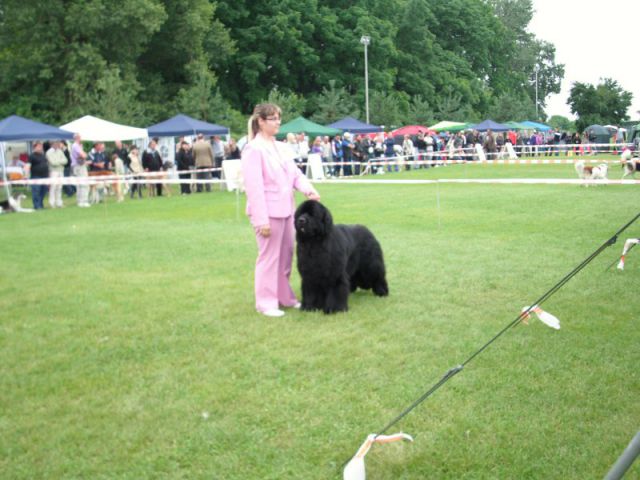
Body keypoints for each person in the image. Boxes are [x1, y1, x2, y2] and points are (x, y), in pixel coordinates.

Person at [241, 103, 320, 317]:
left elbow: (295, 175)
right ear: (261, 122)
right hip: (268, 213)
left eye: (278, 118)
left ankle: (285, 297)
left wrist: (309, 190)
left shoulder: (282, 147)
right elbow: (254, 188)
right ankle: (266, 303)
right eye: (274, 118)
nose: (278, 122)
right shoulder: (253, 149)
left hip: (287, 211)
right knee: (269, 258)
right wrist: (261, 220)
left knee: (285, 256)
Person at [27, 141, 49, 209]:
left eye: (41, 146)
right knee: (36, 191)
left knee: (43, 191)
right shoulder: (31, 156)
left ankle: (40, 204)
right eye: (39, 146)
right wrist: (26, 175)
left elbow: (46, 164)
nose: (41, 148)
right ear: (35, 147)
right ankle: (36, 205)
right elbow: (28, 166)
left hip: (44, 176)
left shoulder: (43, 155)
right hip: (36, 176)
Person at [45, 140, 67, 208]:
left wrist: (58, 162)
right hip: (53, 171)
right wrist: (60, 162)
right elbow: (52, 163)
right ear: (52, 144)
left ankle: (59, 203)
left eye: (58, 143)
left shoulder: (60, 151)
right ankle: (52, 203)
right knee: (53, 187)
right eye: (56, 143)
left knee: (59, 187)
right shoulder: (48, 152)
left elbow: (66, 161)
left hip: (61, 171)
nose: (57, 144)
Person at [71, 133, 90, 207]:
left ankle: (80, 201)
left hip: (77, 166)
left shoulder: (76, 146)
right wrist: (84, 154)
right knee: (83, 184)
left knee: (79, 184)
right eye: (80, 137)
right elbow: (83, 155)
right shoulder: (76, 146)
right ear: (77, 138)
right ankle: (83, 201)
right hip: (79, 166)